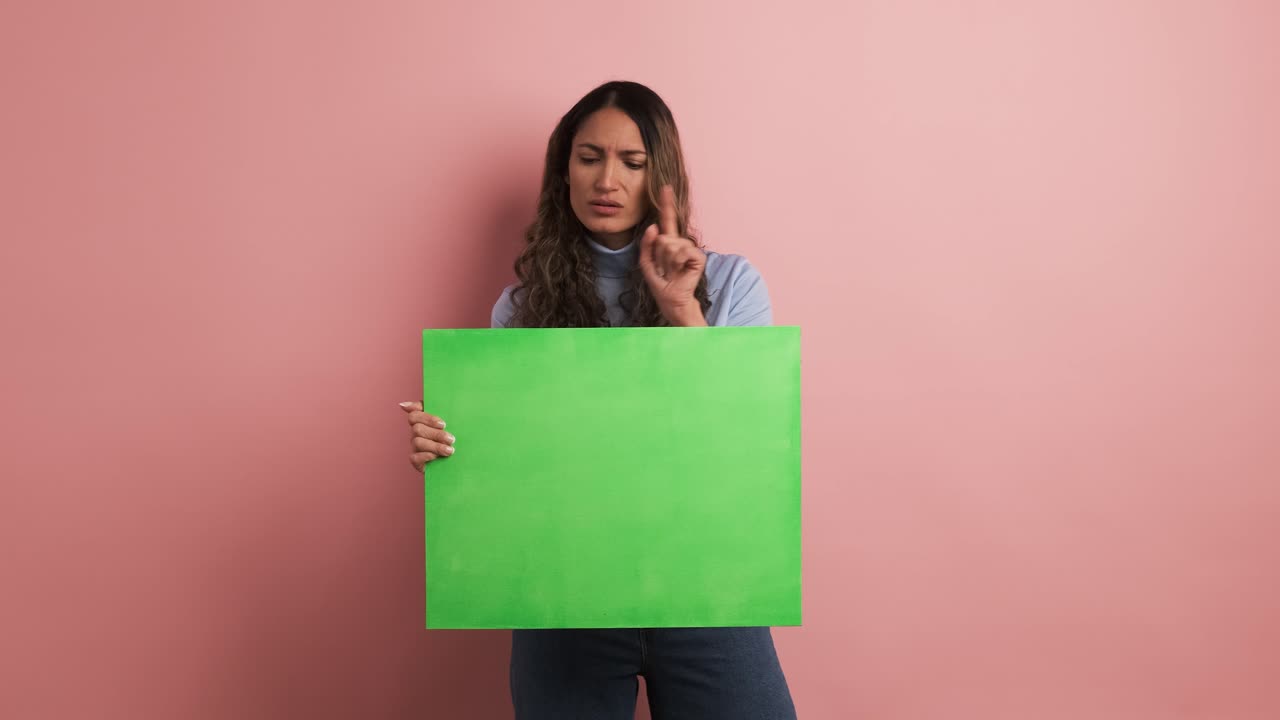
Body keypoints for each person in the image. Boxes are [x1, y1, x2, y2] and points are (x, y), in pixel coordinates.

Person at [399, 80, 797, 719]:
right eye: (588, 158)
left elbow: (739, 436)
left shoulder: (730, 283)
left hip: (705, 584)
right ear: (564, 173)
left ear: (659, 176)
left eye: (632, 163)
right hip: (564, 595)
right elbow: (518, 474)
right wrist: (447, 453)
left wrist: (680, 308)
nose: (606, 179)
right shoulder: (522, 308)